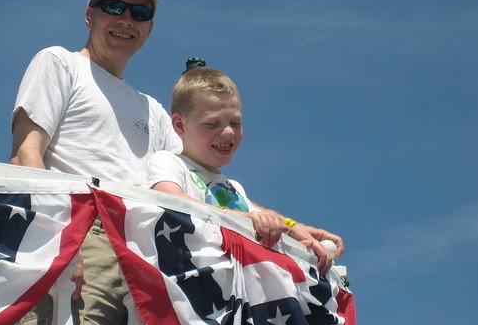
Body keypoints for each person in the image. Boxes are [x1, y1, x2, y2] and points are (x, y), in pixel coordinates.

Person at [10, 0, 181, 325]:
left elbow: (193, 183)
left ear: (149, 28)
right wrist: (59, 244)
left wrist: (285, 226)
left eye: (138, 13)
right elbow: (26, 154)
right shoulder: (60, 63)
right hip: (79, 234)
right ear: (90, 14)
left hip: (137, 256)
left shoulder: (152, 110)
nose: (125, 20)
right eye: (113, 6)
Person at [145, 66, 344, 272]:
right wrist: (242, 219)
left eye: (235, 122)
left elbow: (270, 221)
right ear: (179, 125)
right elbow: (170, 201)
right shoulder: (168, 162)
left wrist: (296, 233)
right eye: (212, 124)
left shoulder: (235, 190)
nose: (228, 132)